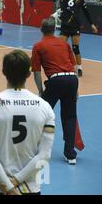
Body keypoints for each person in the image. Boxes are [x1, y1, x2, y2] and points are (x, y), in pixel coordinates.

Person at [0, 50, 55, 195]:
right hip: (29, 187)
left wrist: (8, 186)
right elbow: (44, 155)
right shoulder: (45, 107)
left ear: (3, 72)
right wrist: (16, 181)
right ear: (28, 74)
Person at [31, 17, 79, 165]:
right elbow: (74, 66)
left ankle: (34, 148)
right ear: (55, 29)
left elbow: (37, 72)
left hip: (56, 81)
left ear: (41, 29)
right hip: (72, 80)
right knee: (69, 117)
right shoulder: (64, 44)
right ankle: (70, 155)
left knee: (41, 114)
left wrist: (40, 90)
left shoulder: (38, 46)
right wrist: (76, 89)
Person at [52, 0, 98, 77]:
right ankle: (60, 66)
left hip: (75, 26)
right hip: (65, 26)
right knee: (61, 47)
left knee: (75, 48)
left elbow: (86, 12)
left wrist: (92, 24)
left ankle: (79, 68)